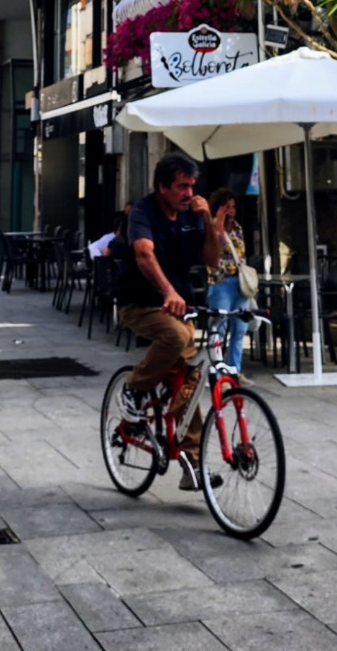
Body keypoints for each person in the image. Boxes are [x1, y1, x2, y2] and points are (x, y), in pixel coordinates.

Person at [116, 152, 223, 489]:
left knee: (189, 382)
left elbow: (211, 259)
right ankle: (134, 389)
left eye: (192, 186)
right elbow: (144, 254)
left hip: (177, 308)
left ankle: (192, 464)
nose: (189, 194)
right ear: (162, 187)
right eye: (181, 187)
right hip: (140, 303)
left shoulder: (192, 215)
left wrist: (209, 224)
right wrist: (167, 292)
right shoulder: (143, 213)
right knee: (176, 339)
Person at [204, 189, 250, 374]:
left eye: (233, 207)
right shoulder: (212, 227)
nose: (231, 211)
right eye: (227, 207)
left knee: (240, 328)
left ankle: (234, 370)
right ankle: (215, 371)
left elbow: (241, 253)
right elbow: (217, 249)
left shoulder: (238, 228)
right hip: (220, 282)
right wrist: (220, 226)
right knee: (218, 329)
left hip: (239, 283)